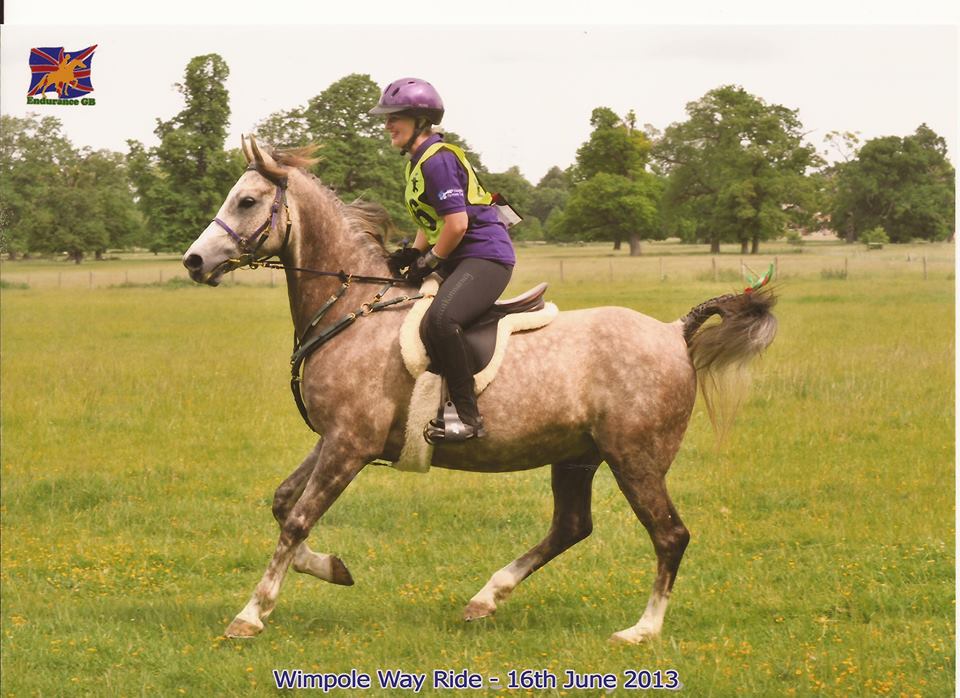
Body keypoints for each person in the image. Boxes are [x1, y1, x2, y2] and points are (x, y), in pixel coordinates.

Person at [370, 77, 516, 443]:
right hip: (459, 254)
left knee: (442, 319)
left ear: (420, 120)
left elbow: (457, 224)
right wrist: (414, 252)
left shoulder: (438, 162)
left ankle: (468, 418)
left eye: (394, 117)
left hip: (485, 256)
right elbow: (432, 221)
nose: (387, 124)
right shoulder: (416, 163)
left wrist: (431, 259)